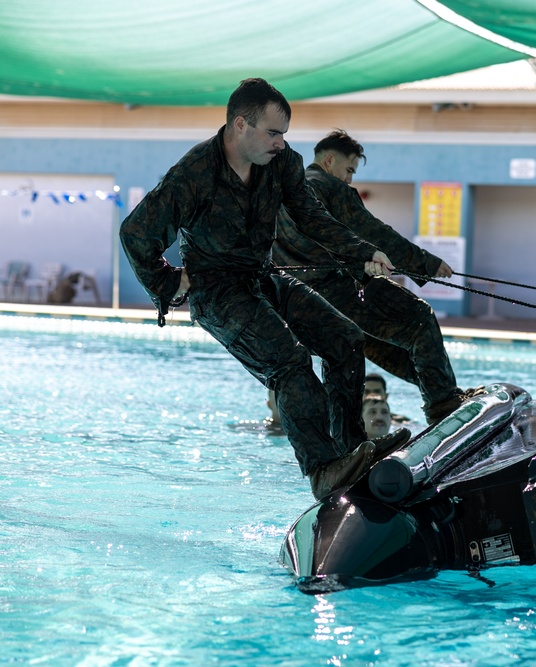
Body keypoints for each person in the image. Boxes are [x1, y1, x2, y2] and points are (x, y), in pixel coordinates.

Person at [119, 78, 409, 501]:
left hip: (263, 277)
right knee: (290, 362)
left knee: (345, 339)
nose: (281, 144)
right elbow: (135, 233)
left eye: (284, 135)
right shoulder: (194, 174)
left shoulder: (283, 163)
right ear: (241, 125)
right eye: (273, 133)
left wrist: (364, 252)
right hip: (217, 292)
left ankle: (352, 453)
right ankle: (323, 471)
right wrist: (166, 281)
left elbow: (311, 217)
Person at [272, 129, 475, 425]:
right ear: (329, 160)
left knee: (378, 343)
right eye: (349, 169)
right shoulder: (326, 186)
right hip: (342, 288)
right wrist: (425, 262)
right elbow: (372, 231)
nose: (350, 179)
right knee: (419, 318)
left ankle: (440, 393)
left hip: (303, 302)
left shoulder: (283, 194)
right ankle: (443, 403)